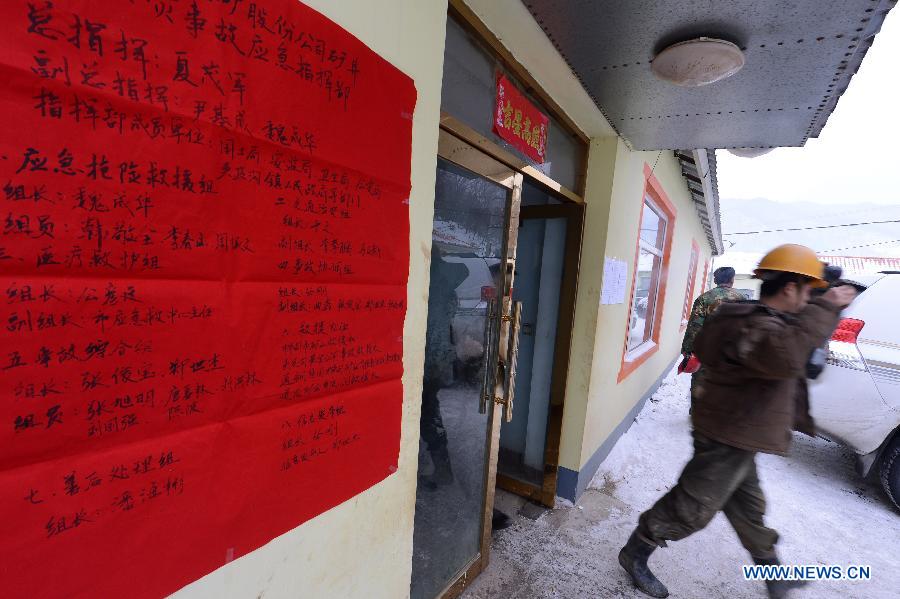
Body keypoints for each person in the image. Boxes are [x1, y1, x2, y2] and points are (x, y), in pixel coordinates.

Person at [618, 244, 857, 599]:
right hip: (728, 433)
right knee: (693, 506)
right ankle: (635, 552)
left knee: (749, 507)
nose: (810, 299)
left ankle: (773, 574)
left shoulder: (755, 317)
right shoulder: (759, 328)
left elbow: (797, 345)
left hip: (736, 430)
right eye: (807, 290)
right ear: (789, 289)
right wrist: (826, 306)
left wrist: (822, 296)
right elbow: (788, 357)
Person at [679, 266, 744, 411]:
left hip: (708, 351)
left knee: (701, 381)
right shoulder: (743, 299)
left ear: (715, 280)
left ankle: (698, 412)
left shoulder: (705, 299)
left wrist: (688, 350)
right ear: (732, 280)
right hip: (733, 353)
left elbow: (695, 327)